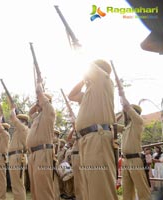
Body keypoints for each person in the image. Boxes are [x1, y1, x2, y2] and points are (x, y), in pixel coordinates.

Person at [68, 59, 117, 200]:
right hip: (86, 139)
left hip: (97, 135)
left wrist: (79, 50)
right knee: (89, 186)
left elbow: (90, 66)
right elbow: (71, 95)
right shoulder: (88, 93)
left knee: (101, 186)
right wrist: (83, 81)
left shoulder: (104, 82)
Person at [26, 75, 56, 200]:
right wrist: (36, 104)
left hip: (43, 152)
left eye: (39, 101)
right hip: (33, 154)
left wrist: (39, 82)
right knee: (35, 188)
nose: (37, 103)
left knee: (43, 188)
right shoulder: (38, 116)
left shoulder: (49, 110)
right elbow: (29, 113)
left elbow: (39, 92)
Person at [119, 93, 151, 200]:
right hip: (125, 161)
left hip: (135, 159)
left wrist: (122, 96)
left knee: (141, 189)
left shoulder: (138, 122)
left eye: (128, 111)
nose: (126, 113)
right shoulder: (125, 127)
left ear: (134, 112)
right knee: (127, 190)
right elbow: (111, 124)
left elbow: (128, 108)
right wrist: (120, 113)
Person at [8, 103, 29, 200]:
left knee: (18, 184)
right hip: (14, 156)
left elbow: (12, 117)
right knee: (15, 183)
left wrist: (13, 109)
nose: (17, 122)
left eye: (19, 120)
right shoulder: (18, 130)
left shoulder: (23, 128)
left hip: (18, 156)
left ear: (23, 121)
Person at [0, 118, 10, 200]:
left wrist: (0, 116)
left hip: (1, 158)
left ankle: (2, 197)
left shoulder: (5, 134)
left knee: (1, 179)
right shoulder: (1, 137)